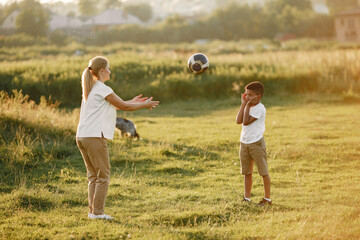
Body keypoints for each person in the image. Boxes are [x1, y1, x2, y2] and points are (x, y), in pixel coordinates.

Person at [76, 56, 159, 220]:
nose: (110, 71)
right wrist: (143, 104)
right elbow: (124, 106)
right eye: (108, 68)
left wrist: (133, 101)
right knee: (103, 176)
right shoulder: (101, 87)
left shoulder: (91, 87)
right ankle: (98, 213)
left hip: (82, 136)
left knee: (94, 176)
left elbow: (120, 103)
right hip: (94, 137)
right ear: (101, 71)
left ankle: (93, 212)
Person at [235, 81, 271, 206]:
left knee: (263, 172)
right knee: (247, 172)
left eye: (250, 95)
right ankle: (247, 198)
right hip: (244, 142)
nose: (247, 97)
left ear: (258, 97)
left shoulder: (260, 108)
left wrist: (247, 106)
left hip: (256, 143)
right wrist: (243, 104)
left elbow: (245, 122)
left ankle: (267, 199)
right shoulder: (247, 105)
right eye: (246, 94)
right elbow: (238, 121)